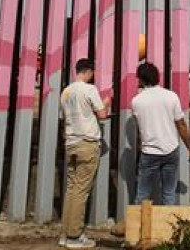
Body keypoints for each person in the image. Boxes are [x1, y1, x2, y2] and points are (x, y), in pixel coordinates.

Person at [59, 58, 111, 249]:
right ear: (88, 71)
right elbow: (102, 115)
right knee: (81, 191)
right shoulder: (90, 90)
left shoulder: (66, 91)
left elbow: (64, 119)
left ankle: (65, 234)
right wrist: (106, 102)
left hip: (71, 143)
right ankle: (74, 236)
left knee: (72, 189)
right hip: (87, 143)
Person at [132, 62, 190, 205]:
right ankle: (168, 226)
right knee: (169, 194)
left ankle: (139, 225)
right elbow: (181, 125)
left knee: (142, 194)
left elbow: (140, 125)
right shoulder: (171, 96)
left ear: (141, 79)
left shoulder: (137, 101)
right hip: (171, 150)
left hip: (149, 151)